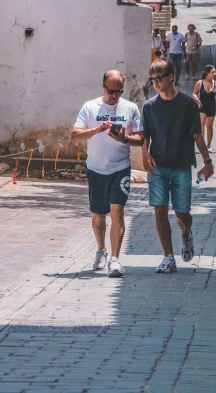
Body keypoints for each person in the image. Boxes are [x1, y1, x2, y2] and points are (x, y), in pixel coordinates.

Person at [142, 58, 214, 274]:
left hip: (182, 165)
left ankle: (186, 235)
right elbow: (145, 135)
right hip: (158, 166)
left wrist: (207, 162)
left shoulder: (187, 104)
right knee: (160, 211)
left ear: (170, 77)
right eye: (152, 78)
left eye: (159, 78)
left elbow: (197, 136)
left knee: (182, 214)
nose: (155, 82)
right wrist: (144, 155)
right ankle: (168, 257)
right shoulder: (149, 106)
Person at [72, 70, 144, 278]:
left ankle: (115, 259)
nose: (114, 95)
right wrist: (95, 130)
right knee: (98, 214)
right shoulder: (90, 107)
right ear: (103, 87)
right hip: (96, 168)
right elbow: (74, 136)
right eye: (111, 91)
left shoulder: (130, 108)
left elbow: (140, 139)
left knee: (117, 211)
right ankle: (101, 250)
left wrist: (124, 139)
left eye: (119, 91)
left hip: (120, 167)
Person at [192, 64, 216, 150]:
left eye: (215, 72)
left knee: (209, 126)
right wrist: (197, 100)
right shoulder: (200, 82)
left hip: (211, 106)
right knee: (202, 124)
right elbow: (194, 93)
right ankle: (202, 144)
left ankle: (209, 145)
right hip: (202, 106)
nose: (214, 74)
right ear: (207, 72)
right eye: (212, 72)